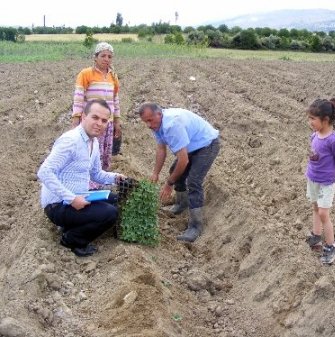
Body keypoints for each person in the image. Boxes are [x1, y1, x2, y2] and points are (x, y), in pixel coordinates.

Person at [38, 99, 126, 257]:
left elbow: (96, 174)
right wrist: (72, 199)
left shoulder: (93, 142)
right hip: (58, 204)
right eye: (95, 117)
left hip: (77, 196)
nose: (99, 123)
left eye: (104, 120)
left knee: (115, 200)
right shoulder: (71, 141)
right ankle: (72, 239)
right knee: (109, 213)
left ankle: (73, 226)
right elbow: (44, 172)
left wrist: (116, 178)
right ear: (84, 116)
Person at [138, 103, 220, 243]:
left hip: (207, 145)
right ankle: (182, 204)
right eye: (146, 121)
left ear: (159, 114)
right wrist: (155, 173)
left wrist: (169, 184)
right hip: (192, 147)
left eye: (150, 120)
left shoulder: (172, 125)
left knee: (193, 181)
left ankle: (196, 226)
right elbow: (161, 149)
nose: (148, 125)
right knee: (174, 171)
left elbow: (183, 160)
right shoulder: (157, 125)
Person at [304, 98, 335, 265]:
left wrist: (334, 174)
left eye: (313, 119)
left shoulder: (333, 140)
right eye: (309, 118)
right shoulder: (315, 134)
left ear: (326, 120)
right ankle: (316, 235)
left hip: (326, 181)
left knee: (323, 213)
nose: (310, 122)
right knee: (315, 207)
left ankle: (331, 246)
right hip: (312, 178)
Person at [71, 42, 122, 172]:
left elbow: (115, 99)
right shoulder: (86, 74)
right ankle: (88, 181)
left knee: (105, 151)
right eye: (103, 55)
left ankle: (101, 179)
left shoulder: (113, 76)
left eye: (109, 56)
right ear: (95, 57)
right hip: (92, 121)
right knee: (91, 150)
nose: (106, 59)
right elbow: (78, 97)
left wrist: (117, 121)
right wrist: (76, 119)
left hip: (107, 122)